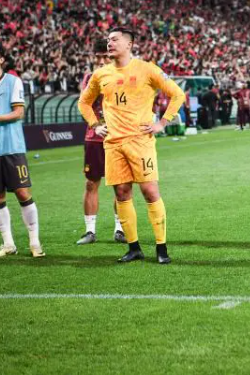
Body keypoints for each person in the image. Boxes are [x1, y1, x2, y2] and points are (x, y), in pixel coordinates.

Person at [78, 28, 185, 264]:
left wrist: (162, 123)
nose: (110, 43)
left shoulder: (147, 69)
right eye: (108, 40)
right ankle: (134, 247)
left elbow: (178, 94)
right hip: (113, 144)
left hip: (140, 141)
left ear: (129, 44)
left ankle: (161, 248)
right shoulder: (100, 74)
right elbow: (83, 102)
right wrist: (95, 125)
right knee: (122, 193)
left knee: (150, 191)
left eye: (115, 39)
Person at [0, 42, 45, 258]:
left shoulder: (13, 81)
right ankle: (8, 244)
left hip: (12, 147)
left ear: (1, 59)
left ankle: (34, 242)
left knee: (22, 192)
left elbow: (18, 113)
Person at [76, 39, 126, 245]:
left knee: (121, 186)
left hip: (119, 137)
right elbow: (84, 104)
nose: (100, 60)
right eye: (97, 57)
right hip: (94, 138)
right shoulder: (90, 78)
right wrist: (96, 124)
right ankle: (90, 231)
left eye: (104, 56)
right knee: (91, 183)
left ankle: (120, 229)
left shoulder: (124, 76)